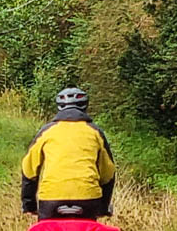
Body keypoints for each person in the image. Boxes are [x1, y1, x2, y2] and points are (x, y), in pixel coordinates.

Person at [21, 87, 115, 220]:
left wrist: (29, 206)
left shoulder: (47, 132)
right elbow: (108, 174)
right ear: (85, 107)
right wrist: (103, 207)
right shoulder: (95, 132)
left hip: (51, 200)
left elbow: (28, 170)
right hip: (88, 199)